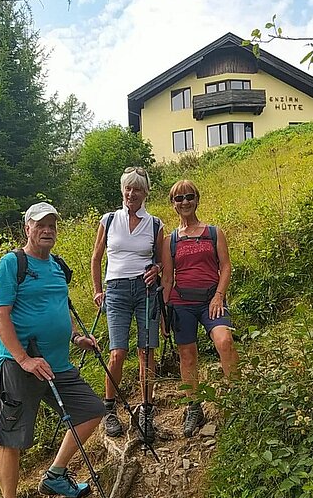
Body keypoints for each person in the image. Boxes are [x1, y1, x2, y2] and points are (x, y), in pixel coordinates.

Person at [0, 201, 105, 498]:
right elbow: (0, 317)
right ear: (27, 227)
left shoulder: (56, 265)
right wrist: (24, 359)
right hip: (19, 366)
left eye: (52, 223)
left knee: (91, 410)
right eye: (40, 224)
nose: (47, 229)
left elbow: (58, 306)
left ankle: (55, 474)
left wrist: (75, 336)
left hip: (57, 365)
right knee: (12, 438)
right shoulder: (12, 264)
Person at [91, 167, 164, 443]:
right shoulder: (109, 220)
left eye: (137, 189)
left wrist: (156, 268)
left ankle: (146, 410)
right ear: (122, 190)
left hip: (145, 290)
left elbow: (161, 260)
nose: (131, 194)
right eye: (127, 188)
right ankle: (109, 410)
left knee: (146, 352)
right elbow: (96, 258)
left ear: (146, 193)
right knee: (117, 352)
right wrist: (99, 291)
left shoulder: (155, 224)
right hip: (117, 291)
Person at [161, 180, 239, 437]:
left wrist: (219, 296)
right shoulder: (169, 240)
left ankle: (236, 402)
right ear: (173, 204)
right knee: (187, 355)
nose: (184, 202)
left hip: (211, 300)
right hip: (181, 303)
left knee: (224, 341)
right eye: (178, 198)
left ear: (197, 199)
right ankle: (193, 407)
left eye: (189, 196)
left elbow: (225, 267)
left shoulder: (214, 232)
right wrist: (164, 313)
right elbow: (168, 278)